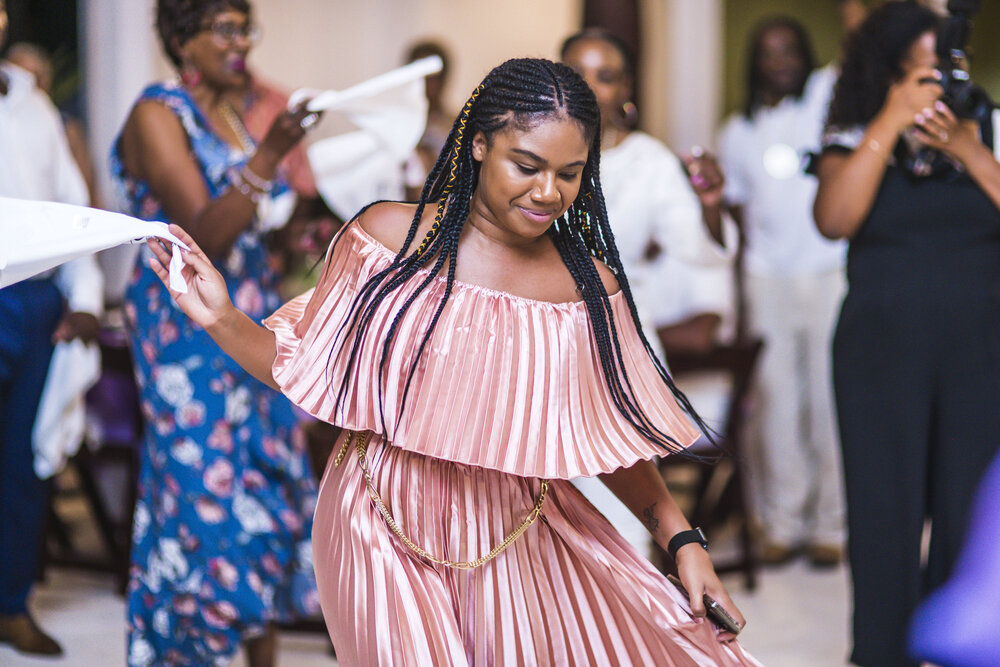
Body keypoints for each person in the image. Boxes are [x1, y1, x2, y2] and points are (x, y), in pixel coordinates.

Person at [145, 57, 760, 665]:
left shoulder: (586, 289)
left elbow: (606, 439)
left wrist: (683, 542)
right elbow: (297, 363)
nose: (548, 193)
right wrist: (221, 317)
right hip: (376, 520)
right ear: (478, 145)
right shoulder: (387, 241)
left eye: (570, 174)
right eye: (527, 166)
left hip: (514, 527)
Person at [110, 1, 321, 665]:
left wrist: (301, 234)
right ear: (182, 39)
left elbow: (253, 228)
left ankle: (262, 655)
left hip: (250, 313)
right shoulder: (156, 113)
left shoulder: (227, 112)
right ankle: (186, 650)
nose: (240, 44)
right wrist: (272, 152)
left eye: (244, 28)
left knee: (259, 475)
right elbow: (202, 233)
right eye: (223, 29)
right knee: (200, 478)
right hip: (185, 325)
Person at [813, 3, 1000, 665]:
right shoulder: (854, 132)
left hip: (983, 349)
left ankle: (958, 646)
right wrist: (889, 124)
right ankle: (881, 652)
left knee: (970, 511)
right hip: (879, 350)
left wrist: (971, 150)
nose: (937, 83)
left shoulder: (992, 127)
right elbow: (835, 219)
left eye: (946, 65)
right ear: (889, 72)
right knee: (883, 514)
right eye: (918, 69)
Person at [560, 29, 736, 559]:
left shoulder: (649, 161)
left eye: (605, 76)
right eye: (577, 74)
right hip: (545, 336)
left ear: (626, 90)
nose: (590, 88)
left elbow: (700, 247)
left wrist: (709, 203)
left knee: (624, 501)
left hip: (621, 337)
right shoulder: (529, 148)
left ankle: (620, 630)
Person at [717, 16, 846, 568]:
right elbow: (739, 222)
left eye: (791, 49)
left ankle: (832, 527)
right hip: (766, 279)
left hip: (828, 273)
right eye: (769, 52)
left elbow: (857, 40)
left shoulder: (825, 101)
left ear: (806, 55)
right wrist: (740, 299)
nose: (781, 61)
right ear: (755, 63)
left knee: (829, 400)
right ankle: (781, 522)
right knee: (774, 406)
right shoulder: (736, 132)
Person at [0, 0, 103, 656]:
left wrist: (86, 294)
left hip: (32, 305)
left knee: (24, 464)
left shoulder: (31, 102)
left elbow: (70, 208)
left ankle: (10, 603)